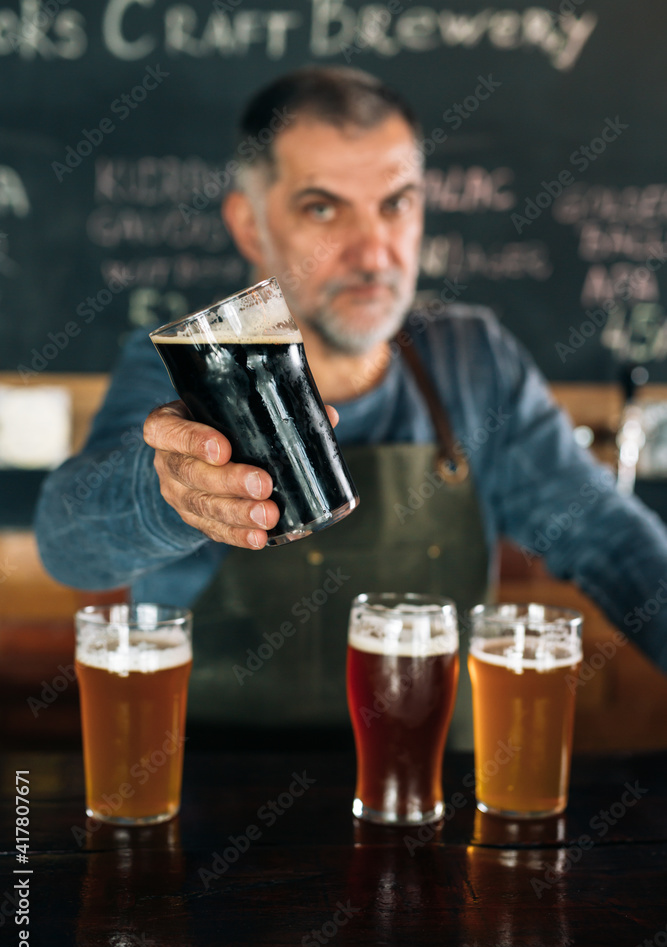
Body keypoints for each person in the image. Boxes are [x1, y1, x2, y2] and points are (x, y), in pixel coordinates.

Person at [35, 66, 667, 747]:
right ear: (250, 224)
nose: (374, 252)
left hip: (429, 808)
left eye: (395, 203)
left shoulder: (472, 360)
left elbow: (611, 540)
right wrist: (168, 490)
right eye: (322, 209)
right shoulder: (181, 367)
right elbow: (66, 546)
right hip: (215, 813)